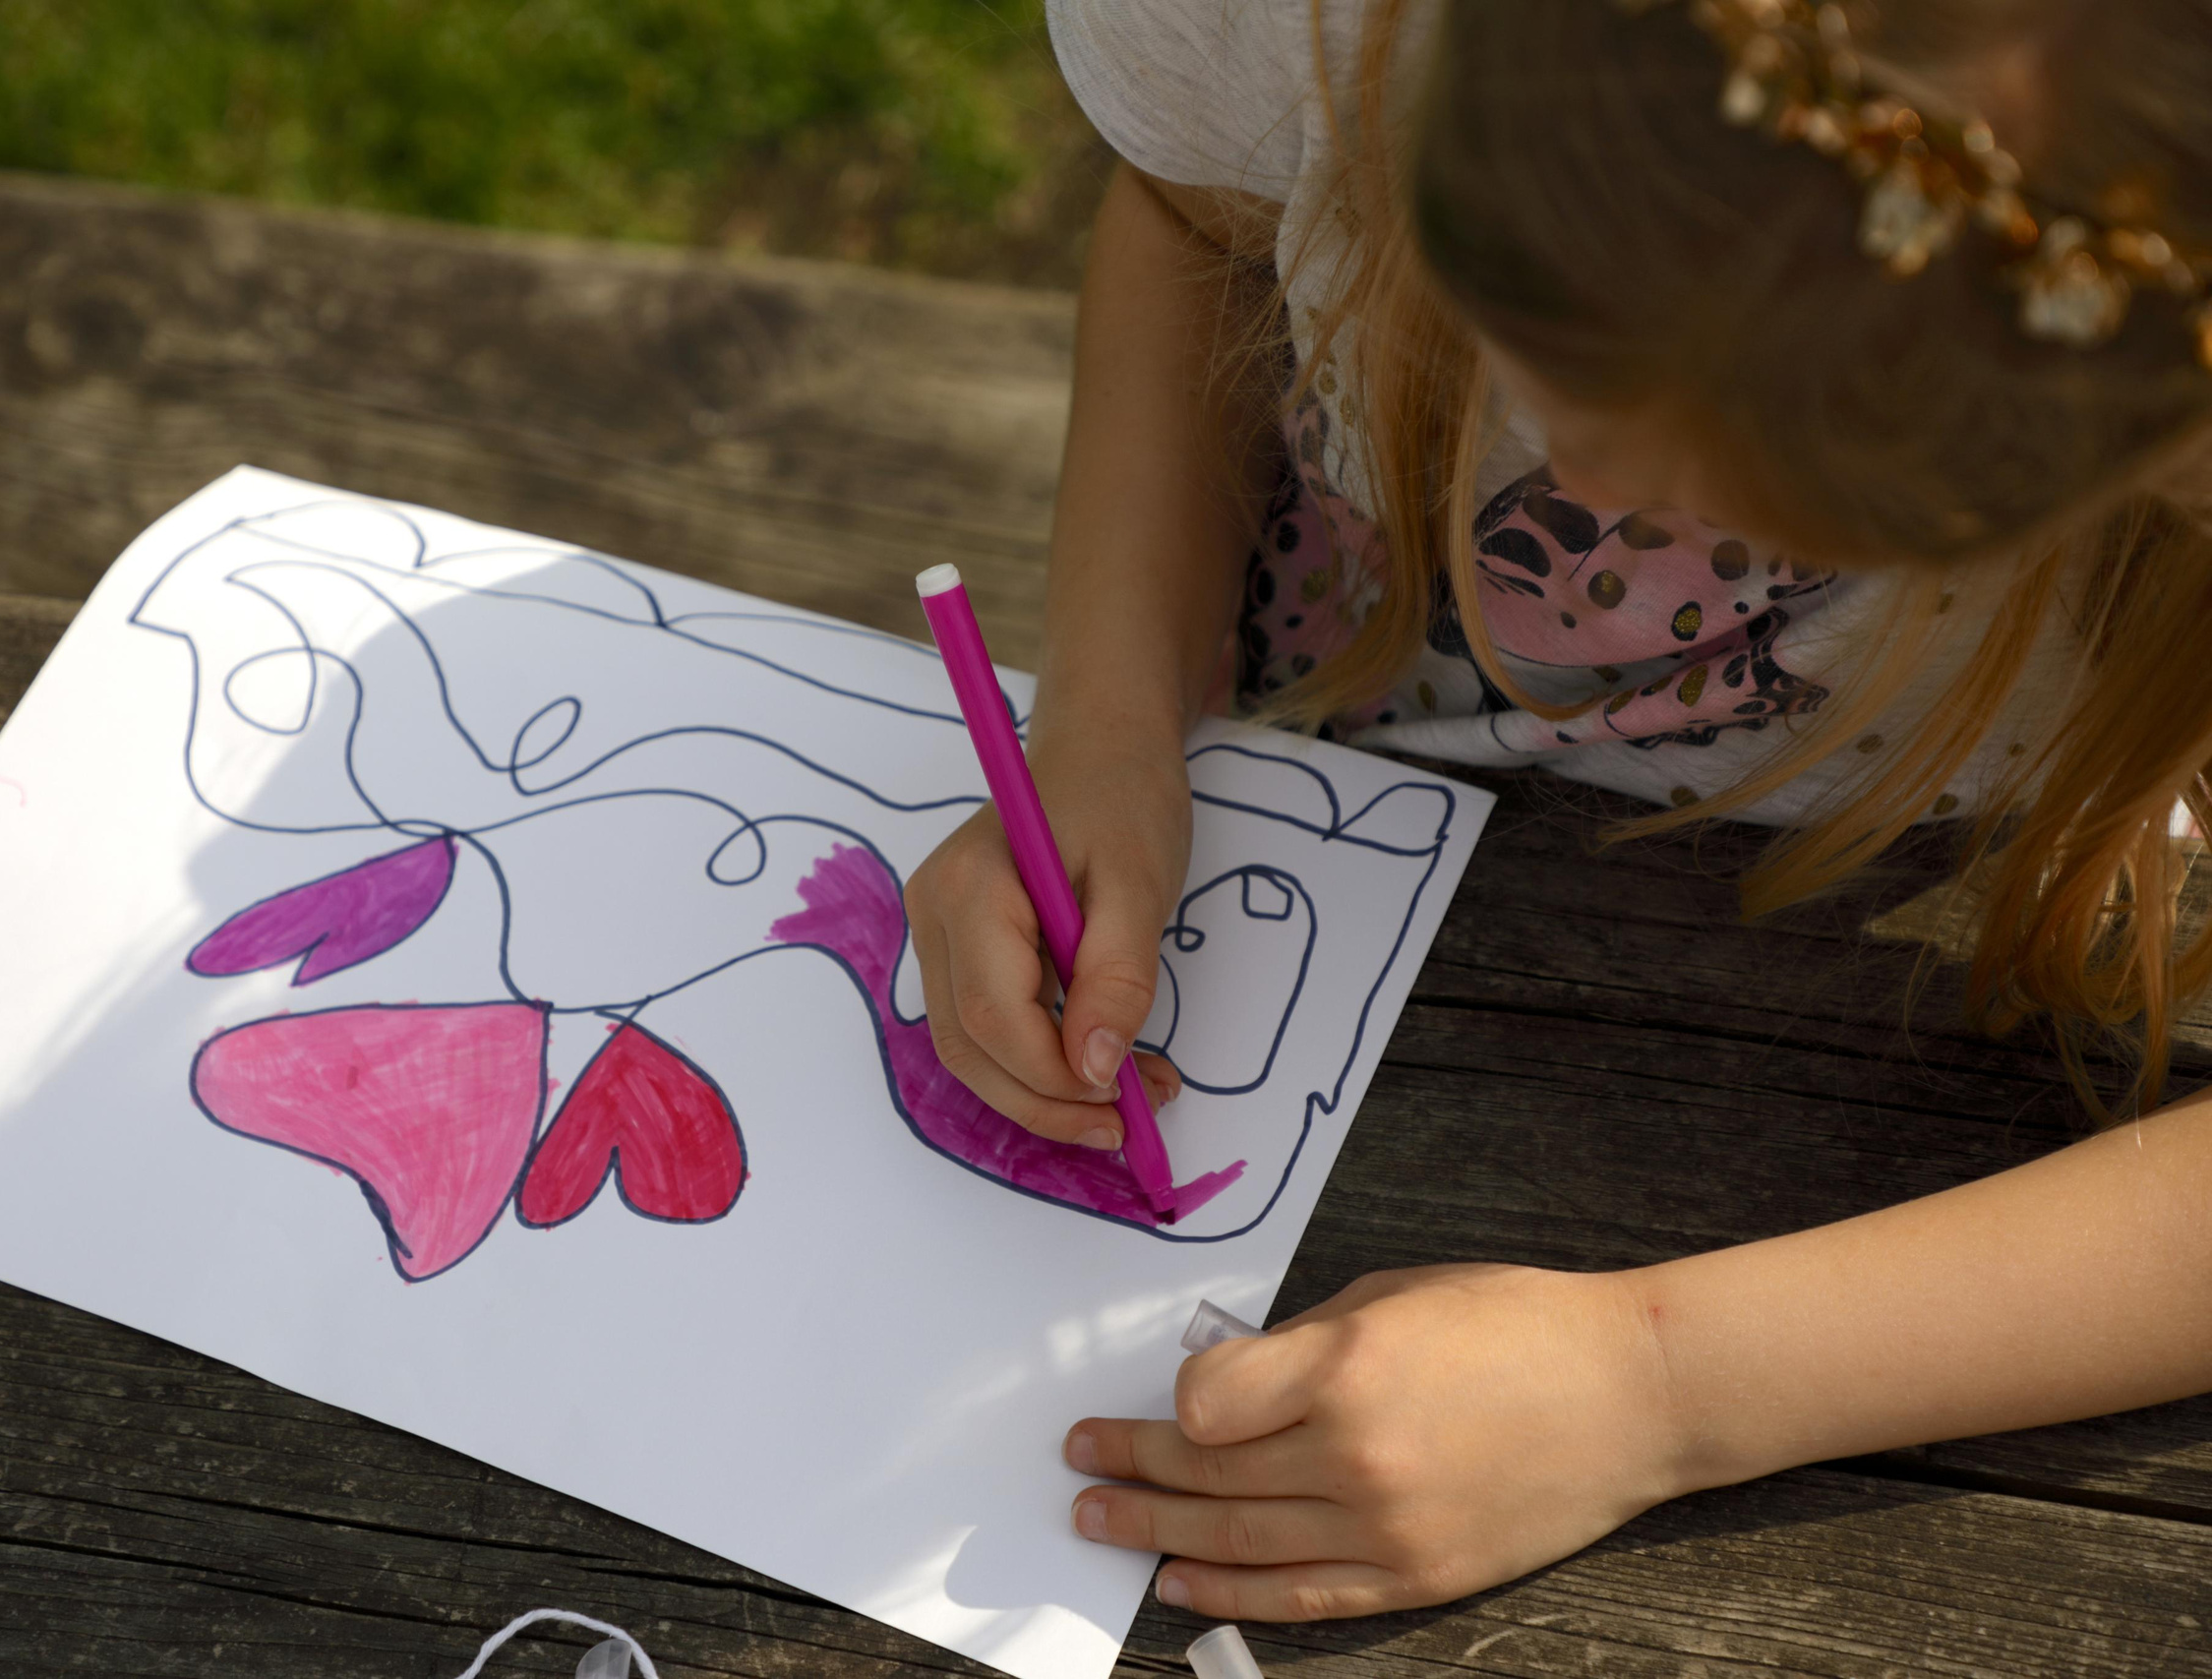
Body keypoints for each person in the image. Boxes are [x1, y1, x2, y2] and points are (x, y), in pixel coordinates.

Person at [900, 0, 2212, 1622]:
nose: (1590, 493)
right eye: (1525, 341)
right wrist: (1105, 710)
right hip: (1326, 737)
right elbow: (1194, 215)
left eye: (1757, 500)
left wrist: (1657, 1388)